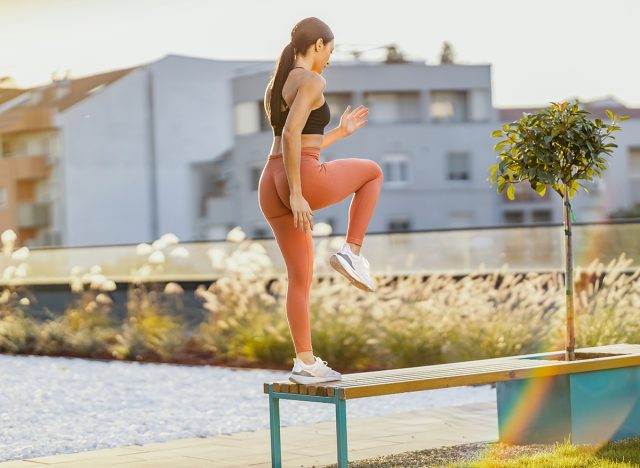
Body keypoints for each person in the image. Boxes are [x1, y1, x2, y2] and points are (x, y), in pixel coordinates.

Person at [258, 17, 384, 385]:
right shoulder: (313, 81)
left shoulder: (276, 84)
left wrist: (339, 134)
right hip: (300, 178)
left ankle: (305, 363)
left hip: (270, 179)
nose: (330, 57)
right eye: (330, 49)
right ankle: (352, 251)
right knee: (373, 172)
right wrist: (298, 194)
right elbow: (294, 134)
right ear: (318, 45)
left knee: (300, 278)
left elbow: (297, 138)